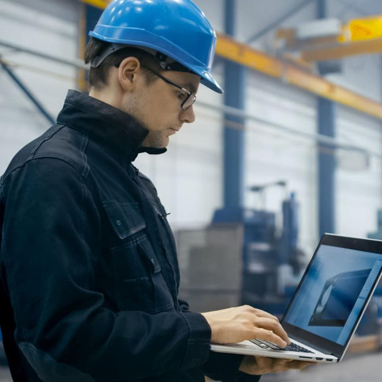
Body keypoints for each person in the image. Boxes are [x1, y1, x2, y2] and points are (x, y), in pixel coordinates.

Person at [0, 0, 313, 381]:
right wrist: (206, 328)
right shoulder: (51, 174)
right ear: (130, 73)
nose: (190, 114)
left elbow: (157, 317)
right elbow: (62, 338)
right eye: (184, 93)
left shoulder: (131, 181)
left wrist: (233, 358)